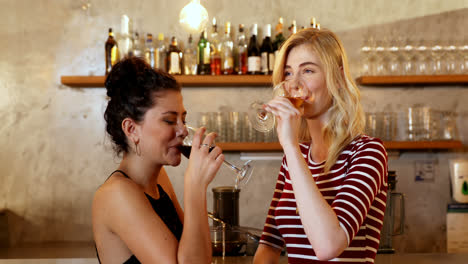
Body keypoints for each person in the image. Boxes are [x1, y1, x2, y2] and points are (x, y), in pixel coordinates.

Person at [253, 28, 388, 263]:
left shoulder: (368, 153)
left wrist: (291, 147)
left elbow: (328, 246)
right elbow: (269, 246)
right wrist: (293, 151)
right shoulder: (294, 158)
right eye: (287, 73)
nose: (294, 84)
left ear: (337, 77)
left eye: (307, 70)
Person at [92, 57, 224, 264]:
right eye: (169, 120)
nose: (182, 130)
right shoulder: (116, 194)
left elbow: (198, 258)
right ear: (131, 129)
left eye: (183, 119)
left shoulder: (160, 179)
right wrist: (195, 187)